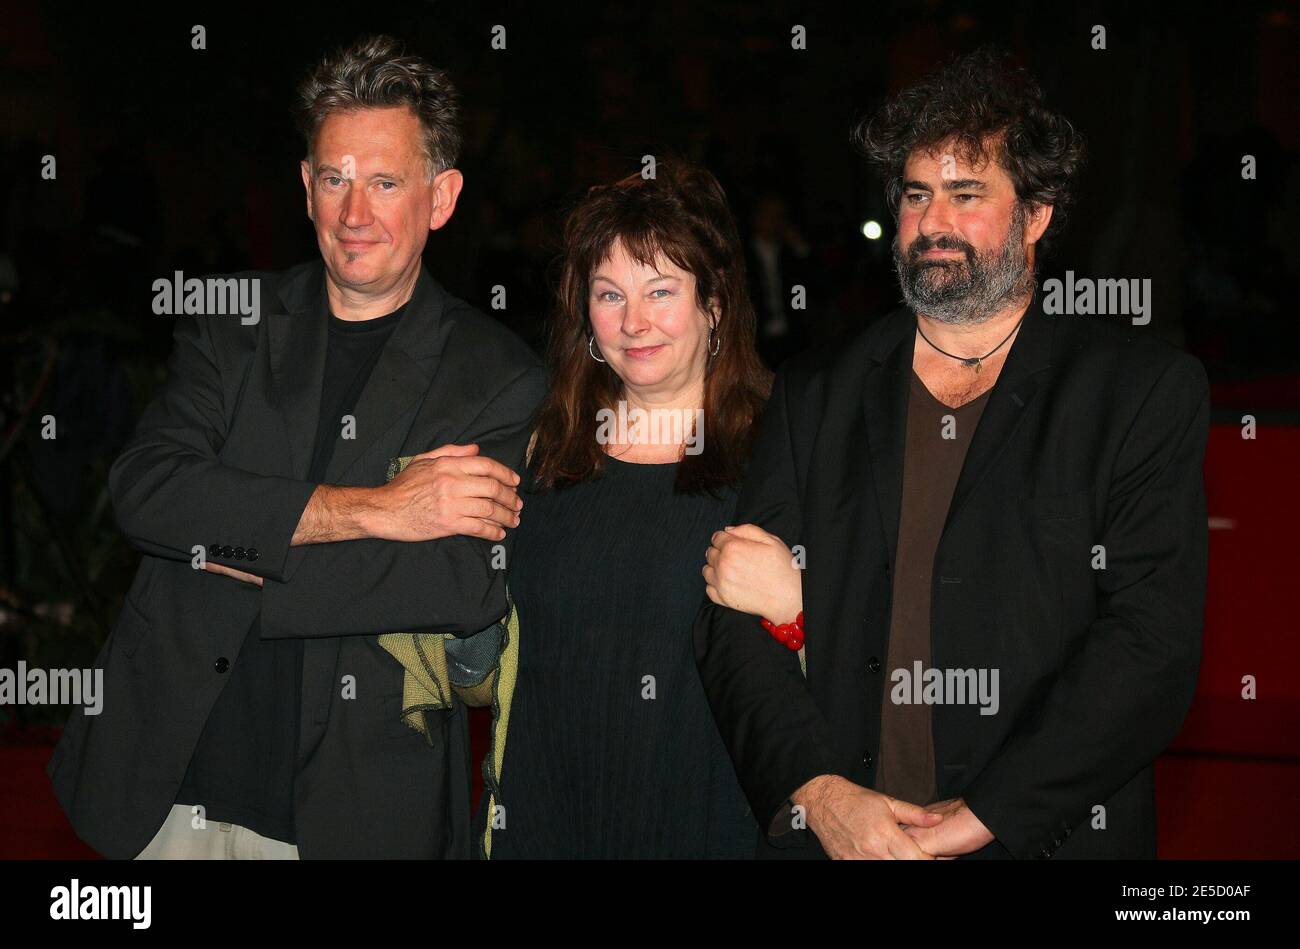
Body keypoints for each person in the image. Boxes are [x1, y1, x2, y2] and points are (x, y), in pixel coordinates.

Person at [696, 48, 1209, 860]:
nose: (933, 222)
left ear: (1035, 214)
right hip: (844, 839)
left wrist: (990, 813)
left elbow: (1150, 646)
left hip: (1044, 839)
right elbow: (732, 630)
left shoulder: (1137, 395)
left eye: (967, 195)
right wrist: (821, 796)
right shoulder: (817, 393)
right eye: (916, 194)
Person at [47, 34, 546, 859]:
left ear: (442, 196)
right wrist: (382, 510)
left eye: (385, 182)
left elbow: (463, 577)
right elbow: (148, 490)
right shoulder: (234, 324)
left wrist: (215, 555)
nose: (355, 214)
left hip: (355, 809)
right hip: (168, 787)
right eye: (333, 178)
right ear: (306, 188)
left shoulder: (497, 375)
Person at [484, 162, 769, 858]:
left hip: (706, 827)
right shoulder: (539, 451)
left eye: (661, 291)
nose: (634, 321)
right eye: (609, 294)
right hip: (544, 821)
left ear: (716, 304)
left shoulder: (777, 456)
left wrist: (797, 614)